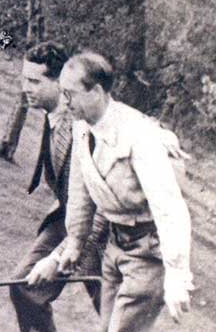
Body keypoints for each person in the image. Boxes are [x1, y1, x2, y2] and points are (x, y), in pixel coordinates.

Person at [35, 52, 192, 331]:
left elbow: (170, 210)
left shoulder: (139, 135)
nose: (65, 101)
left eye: (70, 94)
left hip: (148, 254)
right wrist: (73, 245)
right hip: (115, 249)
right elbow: (81, 194)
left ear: (96, 91)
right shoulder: (82, 126)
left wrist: (178, 275)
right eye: (62, 93)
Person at [11, 42, 105, 331]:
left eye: (34, 81)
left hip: (107, 231)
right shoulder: (51, 114)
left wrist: (57, 257)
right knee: (25, 285)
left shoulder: (79, 126)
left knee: (119, 319)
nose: (25, 87)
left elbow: (99, 208)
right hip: (67, 219)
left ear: (58, 82)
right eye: (24, 79)